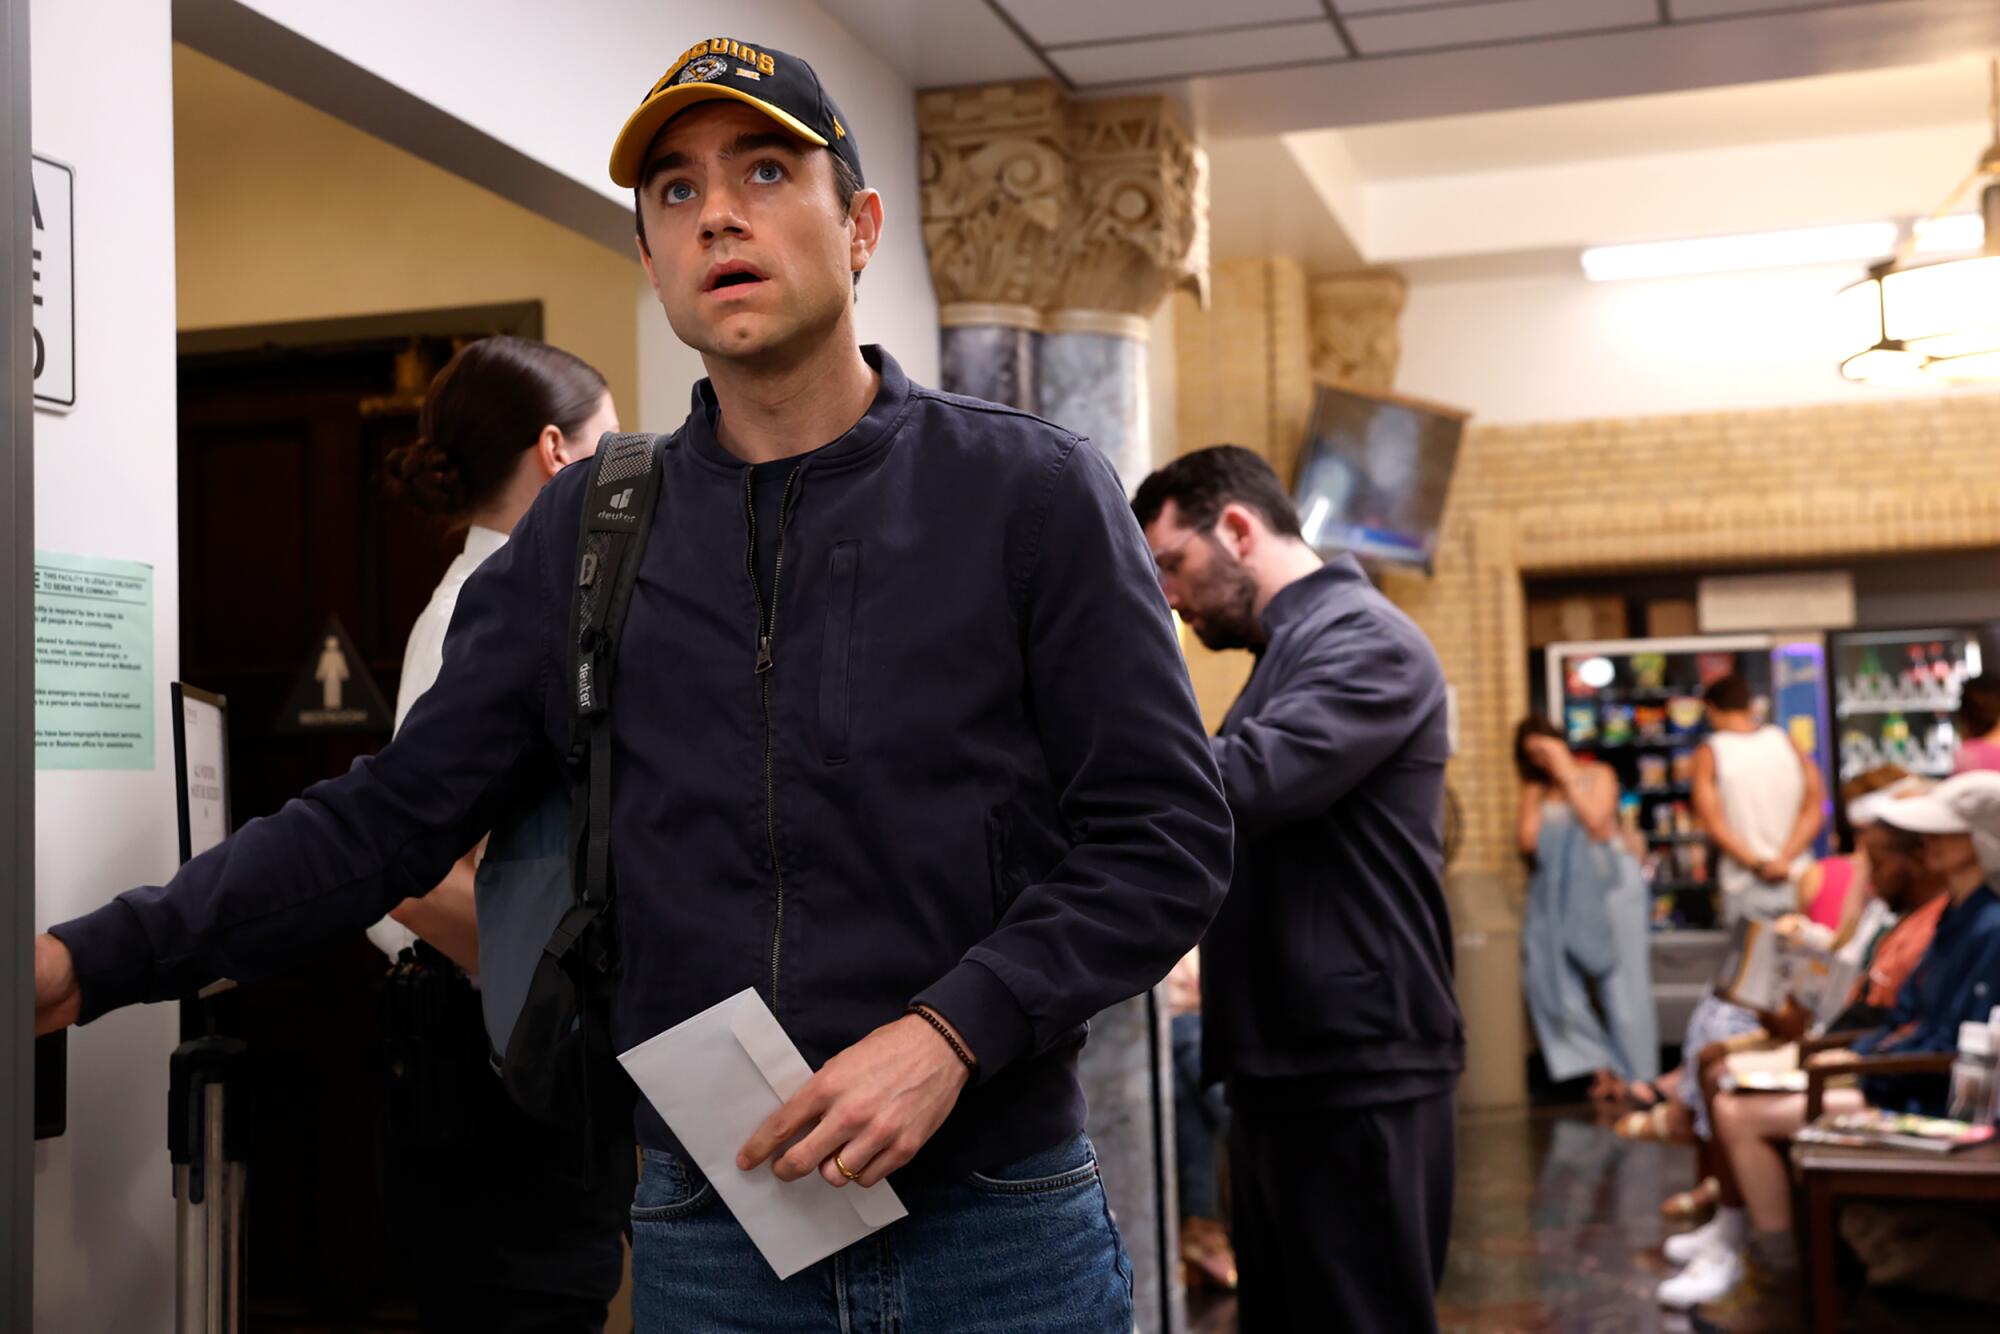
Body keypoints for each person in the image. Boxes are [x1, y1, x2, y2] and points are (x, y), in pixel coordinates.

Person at [35, 37, 1235, 1332]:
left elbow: (1166, 835)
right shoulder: (590, 532)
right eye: (674, 190)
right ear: (654, 256)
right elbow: (383, 819)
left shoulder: (1027, 493)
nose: (717, 209)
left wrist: (949, 1031)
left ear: (862, 224)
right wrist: (84, 960)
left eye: (767, 168)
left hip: (999, 1224)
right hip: (717, 1232)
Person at [1133, 445, 1463, 1334]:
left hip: (1359, 1059)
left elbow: (1248, 782)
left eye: (1171, 563)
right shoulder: (1294, 648)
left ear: (1237, 528)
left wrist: (1103, 748)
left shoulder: (1367, 637)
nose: (1169, 595)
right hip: (1289, 1058)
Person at [368, 336, 629, 1333]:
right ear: (558, 451)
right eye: (611, 444)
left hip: (512, 1041)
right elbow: (410, 870)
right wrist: (557, 990)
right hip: (477, 1058)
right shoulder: (476, 613)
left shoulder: (538, 595)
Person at [1683, 771, 2000, 1326]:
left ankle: (1785, 1276)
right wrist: (1864, 1055)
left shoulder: (1984, 924)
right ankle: (1777, 1262)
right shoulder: (1957, 916)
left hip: (1927, 1096)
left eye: (1942, 836)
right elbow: (1912, 1016)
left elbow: (1953, 1041)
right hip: (1906, 1077)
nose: (1927, 847)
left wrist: (1864, 1063)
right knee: (1730, 1083)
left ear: (1976, 842)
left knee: (1741, 1110)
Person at [1514, 716, 1659, 1107]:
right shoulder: (1535, 791)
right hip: (1558, 893)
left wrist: (1566, 771)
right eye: (1532, 755)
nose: (1540, 759)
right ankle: (1603, 1064)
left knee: (1623, 983)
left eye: (1545, 748)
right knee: (1551, 984)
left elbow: (1596, 821)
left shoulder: (1598, 774)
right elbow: (1527, 840)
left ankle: (1640, 1076)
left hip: (1610, 886)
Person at [1692, 673, 1825, 927]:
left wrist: (1758, 864)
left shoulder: (1711, 751)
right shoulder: (1786, 741)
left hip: (1744, 880)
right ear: (1749, 705)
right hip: (1797, 874)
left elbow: (1712, 820)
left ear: (1711, 709)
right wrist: (1784, 859)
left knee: (1750, 963)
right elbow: (1815, 806)